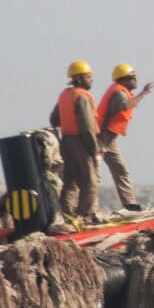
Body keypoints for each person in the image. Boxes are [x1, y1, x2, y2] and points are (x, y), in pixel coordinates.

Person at [96, 63, 154, 212]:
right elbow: (125, 106)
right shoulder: (118, 93)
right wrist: (143, 94)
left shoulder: (123, 92)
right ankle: (88, 210)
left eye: (134, 78)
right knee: (93, 174)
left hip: (110, 140)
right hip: (100, 138)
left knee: (121, 170)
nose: (134, 80)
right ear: (122, 79)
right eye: (131, 78)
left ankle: (130, 205)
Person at [52, 60, 100, 220]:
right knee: (90, 182)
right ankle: (84, 217)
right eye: (88, 76)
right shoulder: (82, 97)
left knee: (70, 182)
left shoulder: (65, 95)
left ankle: (67, 217)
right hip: (80, 143)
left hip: (66, 142)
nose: (92, 79)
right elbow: (87, 126)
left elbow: (54, 119)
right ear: (78, 78)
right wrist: (94, 149)